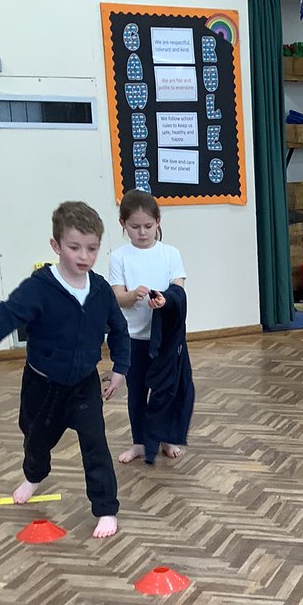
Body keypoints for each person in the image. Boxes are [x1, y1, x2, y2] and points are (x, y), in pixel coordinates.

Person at [0, 200, 129, 539]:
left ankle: (105, 508)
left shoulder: (101, 290)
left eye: (92, 248)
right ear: (56, 246)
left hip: (84, 385)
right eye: (75, 247)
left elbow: (118, 329)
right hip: (42, 385)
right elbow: (3, 316)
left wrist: (120, 368)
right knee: (35, 437)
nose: (84, 256)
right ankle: (34, 475)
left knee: (95, 442)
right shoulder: (39, 288)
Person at [109, 190, 191, 460]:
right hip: (133, 338)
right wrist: (133, 296)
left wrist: (164, 301)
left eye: (148, 226)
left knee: (165, 390)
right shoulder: (119, 257)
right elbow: (118, 297)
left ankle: (166, 438)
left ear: (158, 221)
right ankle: (140, 442)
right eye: (134, 227)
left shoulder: (170, 253)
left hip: (166, 339)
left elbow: (178, 291)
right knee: (137, 393)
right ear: (123, 225)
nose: (142, 232)